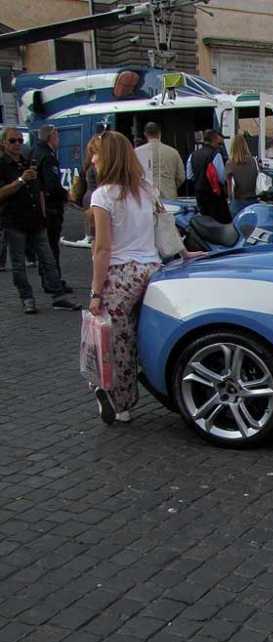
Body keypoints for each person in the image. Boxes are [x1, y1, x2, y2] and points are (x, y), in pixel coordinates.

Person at [87, 130, 163, 424]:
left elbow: (103, 248)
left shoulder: (103, 195)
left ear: (107, 158)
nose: (92, 159)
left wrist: (95, 292)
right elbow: (162, 229)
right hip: (151, 269)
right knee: (142, 333)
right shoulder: (146, 189)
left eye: (95, 153)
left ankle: (120, 403)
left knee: (115, 340)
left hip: (121, 274)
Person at [0, 127, 81, 314]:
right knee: (19, 264)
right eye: (13, 141)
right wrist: (20, 181)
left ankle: (58, 297)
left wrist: (44, 214)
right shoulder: (3, 165)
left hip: (37, 220)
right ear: (4, 143)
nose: (18, 144)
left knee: (48, 259)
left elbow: (40, 190)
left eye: (20, 140)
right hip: (14, 221)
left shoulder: (29, 161)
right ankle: (27, 298)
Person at [30, 124, 71, 278]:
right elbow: (52, 185)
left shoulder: (35, 152)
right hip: (51, 208)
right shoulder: (48, 156)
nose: (59, 140)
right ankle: (54, 279)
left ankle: (46, 277)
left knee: (44, 244)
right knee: (52, 245)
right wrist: (66, 195)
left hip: (39, 206)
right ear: (51, 137)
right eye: (57, 136)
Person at [134, 122, 185, 200]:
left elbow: (132, 176)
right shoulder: (173, 152)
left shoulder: (136, 152)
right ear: (160, 133)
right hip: (169, 197)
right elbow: (181, 177)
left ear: (145, 134)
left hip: (145, 198)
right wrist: (171, 186)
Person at [189, 130, 230, 224]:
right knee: (219, 225)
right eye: (219, 143)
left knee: (205, 223)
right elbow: (222, 178)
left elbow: (189, 175)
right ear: (214, 140)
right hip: (214, 197)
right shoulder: (216, 154)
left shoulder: (193, 155)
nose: (220, 146)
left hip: (200, 195)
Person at [225, 133, 259, 217]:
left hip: (237, 202)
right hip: (253, 201)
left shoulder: (229, 163)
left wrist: (229, 200)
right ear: (245, 145)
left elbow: (229, 188)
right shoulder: (254, 161)